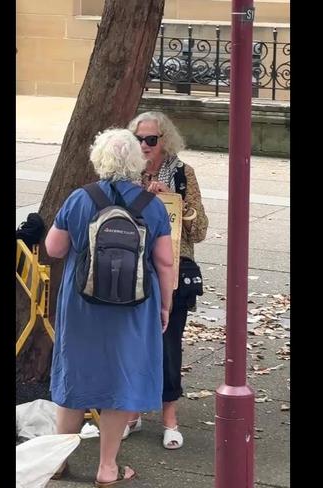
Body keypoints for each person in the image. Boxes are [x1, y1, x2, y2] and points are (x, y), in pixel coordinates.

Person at [45, 128, 175, 486]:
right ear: (138, 161)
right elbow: (165, 262)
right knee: (122, 379)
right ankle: (107, 467)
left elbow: (54, 249)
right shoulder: (152, 206)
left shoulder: (79, 198)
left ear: (97, 158)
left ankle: (59, 461)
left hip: (82, 304)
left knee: (75, 375)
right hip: (134, 307)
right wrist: (165, 306)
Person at [124, 111, 209, 449]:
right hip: (129, 270)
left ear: (164, 141)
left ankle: (169, 416)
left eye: (151, 139)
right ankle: (131, 412)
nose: (144, 145)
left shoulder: (183, 174)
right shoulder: (125, 174)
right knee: (131, 344)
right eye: (139, 139)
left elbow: (200, 230)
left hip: (174, 271)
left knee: (169, 344)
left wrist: (172, 201)